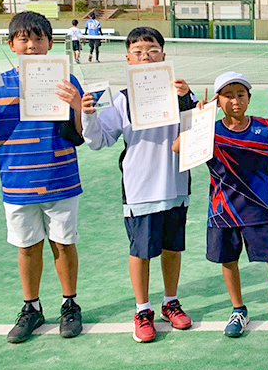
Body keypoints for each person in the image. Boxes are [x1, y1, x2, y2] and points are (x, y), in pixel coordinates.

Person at [0, 11, 84, 343]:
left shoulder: (67, 82)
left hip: (60, 177)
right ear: (12, 44)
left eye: (39, 38)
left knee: (64, 243)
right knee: (27, 247)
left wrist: (77, 106)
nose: (32, 45)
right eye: (24, 39)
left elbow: (81, 133)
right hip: (17, 182)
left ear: (50, 42)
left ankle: (70, 304)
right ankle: (31, 307)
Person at [81, 27, 196, 343]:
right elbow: (98, 141)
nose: (146, 56)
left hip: (176, 184)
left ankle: (170, 303)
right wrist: (88, 116)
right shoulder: (121, 100)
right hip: (140, 187)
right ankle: (142, 309)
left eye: (153, 49)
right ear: (128, 59)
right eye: (139, 51)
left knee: (173, 248)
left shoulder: (181, 92)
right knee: (141, 251)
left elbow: (197, 131)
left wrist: (187, 100)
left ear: (164, 54)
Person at [201, 71, 268, 337]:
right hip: (222, 210)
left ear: (249, 99)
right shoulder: (209, 130)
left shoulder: (263, 127)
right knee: (229, 261)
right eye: (228, 96)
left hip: (259, 209)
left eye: (240, 95)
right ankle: (238, 309)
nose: (235, 101)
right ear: (218, 101)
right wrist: (199, 120)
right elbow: (178, 147)